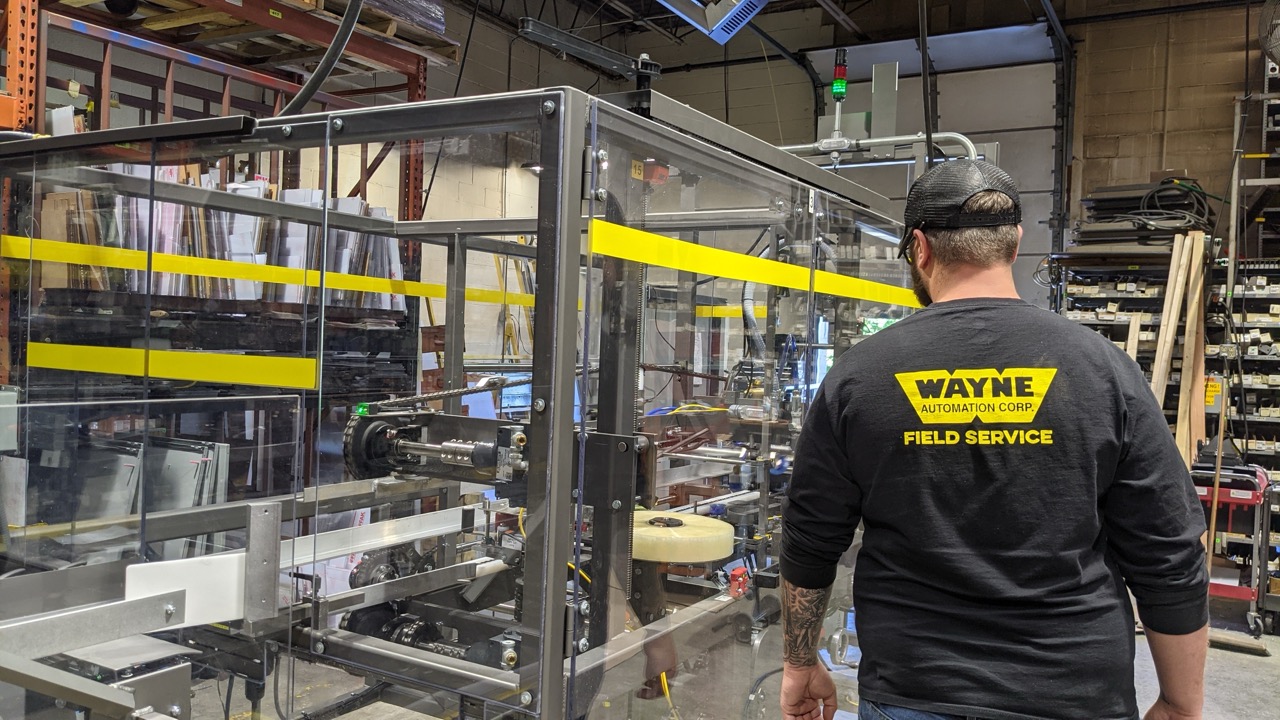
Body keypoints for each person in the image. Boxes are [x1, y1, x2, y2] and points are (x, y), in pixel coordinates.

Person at [778, 159, 1209, 720]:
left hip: (913, 691)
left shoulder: (857, 378)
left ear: (919, 249)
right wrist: (1181, 702)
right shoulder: (1103, 371)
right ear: (1014, 245)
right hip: (1072, 693)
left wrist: (799, 663)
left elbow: (811, 539)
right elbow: (1169, 551)